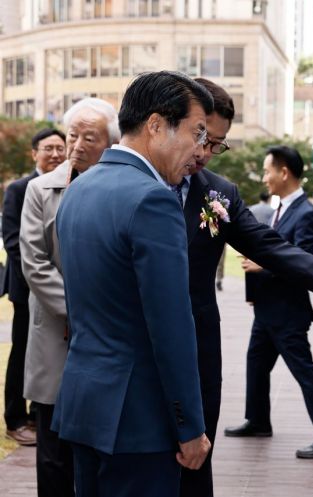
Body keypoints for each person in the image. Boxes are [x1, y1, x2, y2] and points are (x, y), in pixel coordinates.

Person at [178, 78, 313, 497]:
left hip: (271, 315)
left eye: (216, 143)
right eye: (201, 137)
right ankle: (258, 419)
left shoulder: (221, 194)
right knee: (257, 366)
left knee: (200, 457)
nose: (205, 152)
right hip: (154, 352)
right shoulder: (129, 185)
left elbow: (275, 249)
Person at [53, 71, 212, 497]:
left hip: (84, 407)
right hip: (138, 421)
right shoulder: (152, 199)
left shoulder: (79, 190)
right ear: (157, 125)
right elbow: (171, 325)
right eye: (197, 133)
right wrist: (190, 426)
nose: (200, 149)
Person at [20, 98, 119, 497]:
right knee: (54, 445)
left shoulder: (119, 189)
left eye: (88, 137)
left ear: (110, 144)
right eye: (72, 135)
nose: (76, 145)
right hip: (56, 334)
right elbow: (34, 262)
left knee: (97, 444)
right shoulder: (41, 189)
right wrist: (80, 312)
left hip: (106, 336)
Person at [225, 145, 313, 459]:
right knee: (255, 365)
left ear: (284, 172)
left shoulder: (305, 214)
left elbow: (303, 264)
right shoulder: (282, 209)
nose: (264, 178)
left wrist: (260, 266)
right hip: (267, 309)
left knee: (305, 372)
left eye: (267, 171)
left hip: (288, 312)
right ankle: (258, 420)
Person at [2, 128, 66, 446]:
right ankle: (15, 418)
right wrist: (40, 272)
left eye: (60, 147)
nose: (55, 154)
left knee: (48, 353)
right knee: (22, 351)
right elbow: (14, 242)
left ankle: (37, 415)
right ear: (34, 153)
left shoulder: (72, 186)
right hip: (25, 288)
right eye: (48, 148)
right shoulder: (18, 188)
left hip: (56, 288)